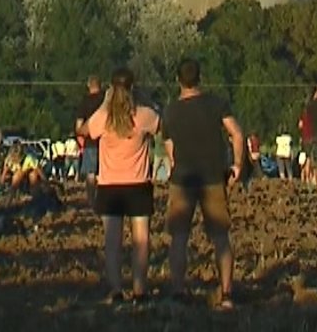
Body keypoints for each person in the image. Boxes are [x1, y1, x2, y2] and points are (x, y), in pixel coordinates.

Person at [162, 58, 244, 311]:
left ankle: (178, 292)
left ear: (178, 80)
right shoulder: (216, 104)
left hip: (183, 179)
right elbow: (237, 133)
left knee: (179, 237)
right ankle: (227, 293)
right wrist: (237, 165)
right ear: (200, 77)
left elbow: (170, 150)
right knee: (220, 236)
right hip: (212, 177)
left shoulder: (170, 111)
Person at [86, 67, 161, 303]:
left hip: (110, 186)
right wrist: (144, 97)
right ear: (132, 87)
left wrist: (104, 103)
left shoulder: (105, 118)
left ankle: (116, 290)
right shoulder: (142, 115)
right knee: (141, 241)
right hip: (138, 184)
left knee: (112, 244)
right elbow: (160, 122)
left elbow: (87, 129)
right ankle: (140, 290)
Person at [74, 76, 103, 182]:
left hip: (90, 141)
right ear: (101, 85)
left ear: (88, 85)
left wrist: (80, 134)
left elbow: (79, 125)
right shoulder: (106, 101)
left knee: (90, 174)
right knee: (104, 174)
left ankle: (91, 198)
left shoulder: (84, 102)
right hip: (107, 142)